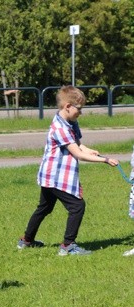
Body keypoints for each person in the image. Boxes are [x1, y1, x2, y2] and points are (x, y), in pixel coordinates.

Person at [18, 85, 118, 255]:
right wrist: (105, 160)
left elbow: (78, 145)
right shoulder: (60, 128)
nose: (81, 112)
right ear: (68, 106)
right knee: (77, 206)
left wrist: (89, 149)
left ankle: (26, 241)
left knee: (45, 207)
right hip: (56, 176)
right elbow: (78, 154)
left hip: (50, 176)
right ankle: (68, 246)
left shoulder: (70, 122)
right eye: (79, 109)